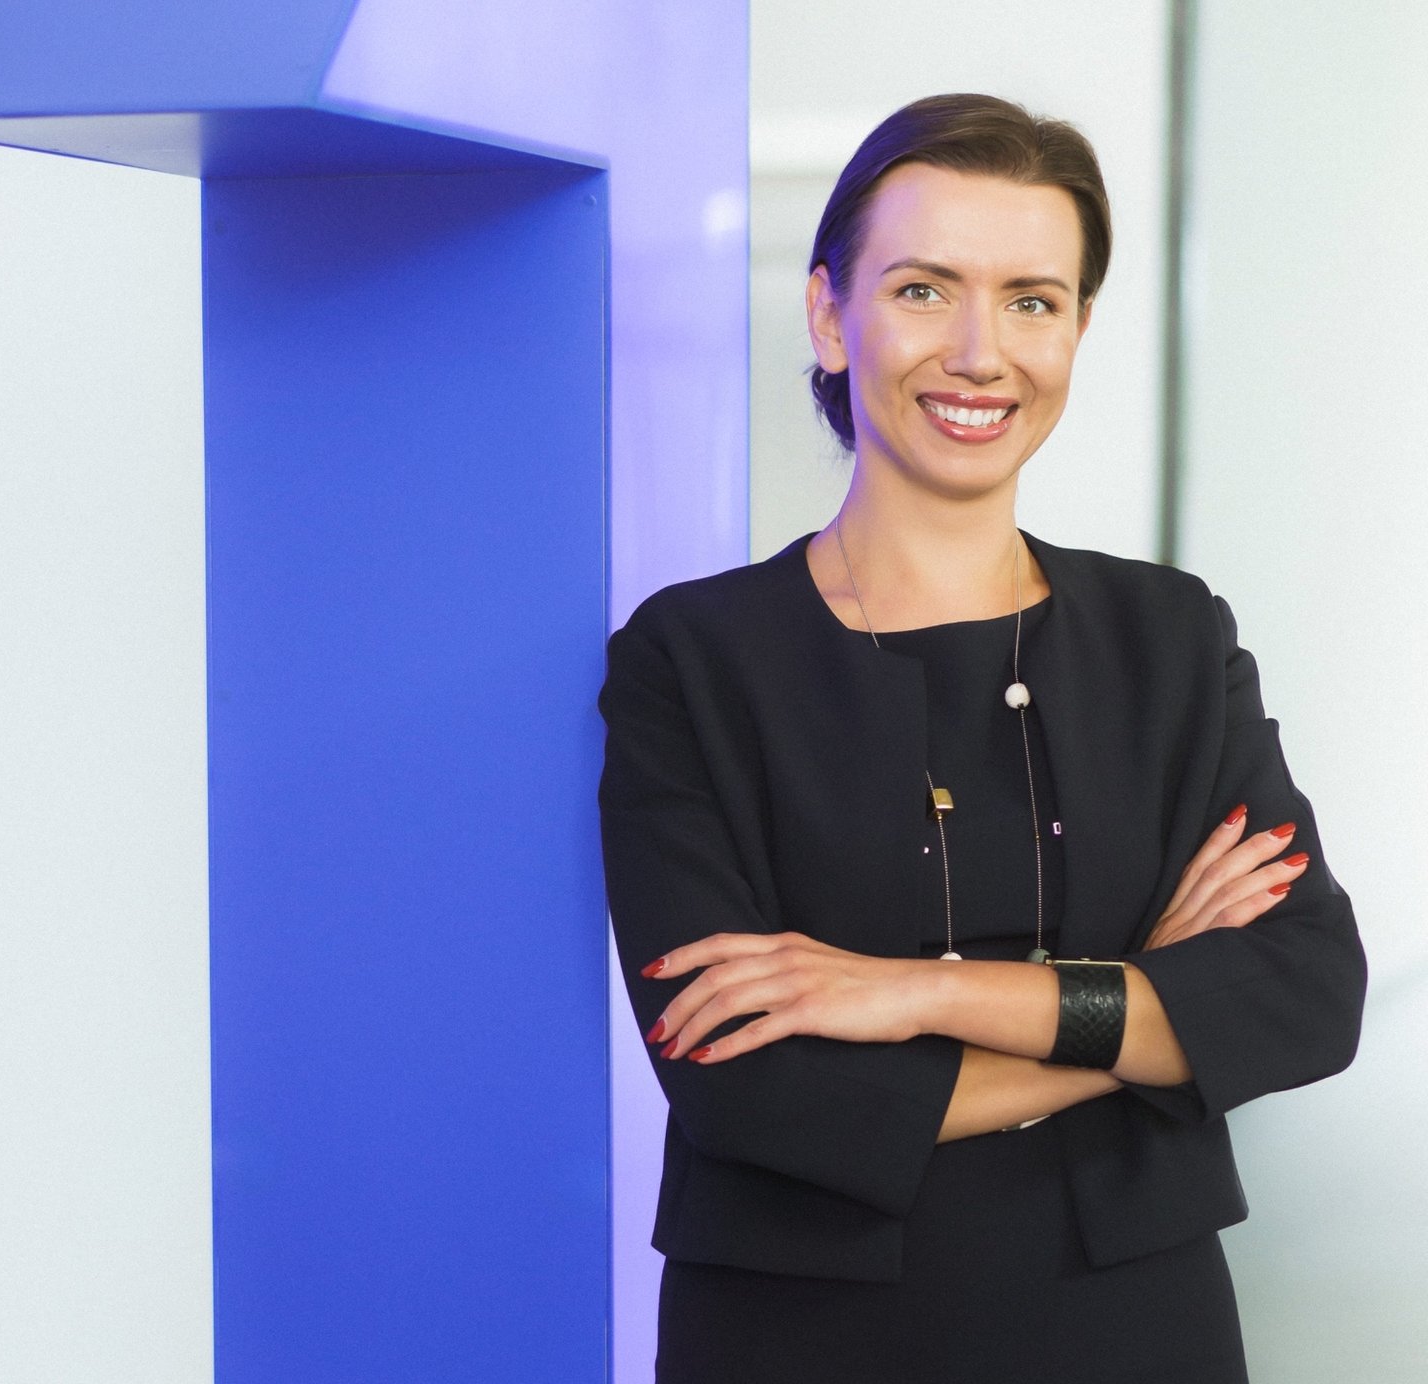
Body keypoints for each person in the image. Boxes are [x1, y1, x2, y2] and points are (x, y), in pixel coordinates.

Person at [596, 93, 1367, 1383]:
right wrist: (1151, 1003)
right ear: (829, 315)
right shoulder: (693, 659)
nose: (979, 352)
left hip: (1135, 1326)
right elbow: (750, 1088)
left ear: (1076, 331)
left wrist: (911, 993)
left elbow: (1304, 996)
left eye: (1031, 300)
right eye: (922, 290)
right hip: (799, 1336)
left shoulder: (1169, 636)